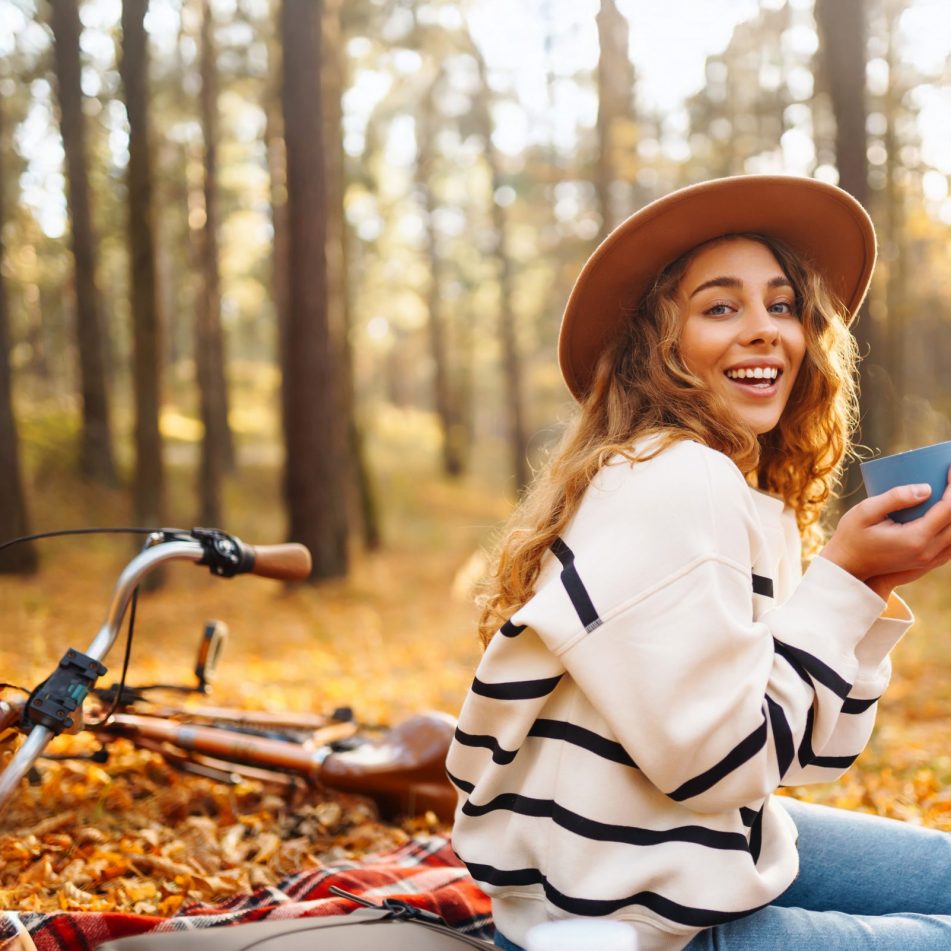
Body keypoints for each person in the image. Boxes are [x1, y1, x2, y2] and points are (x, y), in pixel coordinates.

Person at [445, 175, 951, 951]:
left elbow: (809, 755)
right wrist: (842, 577)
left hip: (683, 856)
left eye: (781, 305)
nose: (764, 330)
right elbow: (723, 766)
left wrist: (867, 587)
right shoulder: (676, 479)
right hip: (628, 926)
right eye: (720, 307)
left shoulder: (741, 497)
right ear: (658, 346)